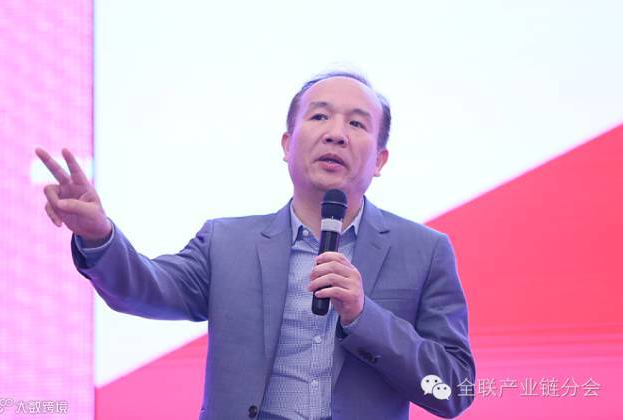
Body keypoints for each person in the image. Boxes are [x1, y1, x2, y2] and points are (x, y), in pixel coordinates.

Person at [36, 71, 475, 419]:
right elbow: (143, 289)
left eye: (356, 123)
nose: (336, 134)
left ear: (379, 160)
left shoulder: (425, 251)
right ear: (286, 145)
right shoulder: (226, 243)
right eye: (319, 117)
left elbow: (453, 389)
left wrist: (365, 316)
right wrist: (98, 234)